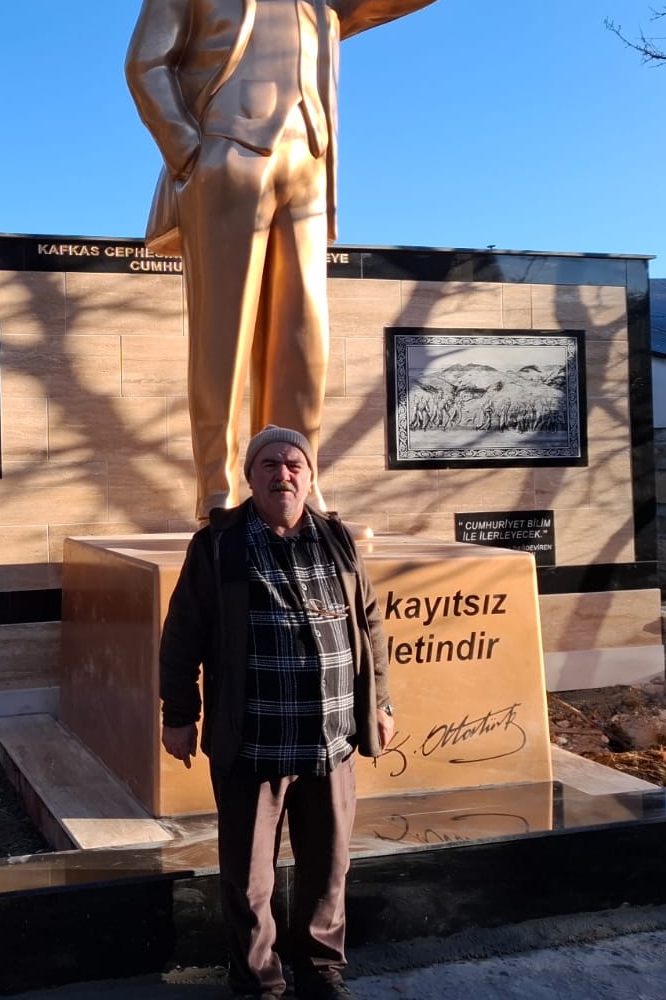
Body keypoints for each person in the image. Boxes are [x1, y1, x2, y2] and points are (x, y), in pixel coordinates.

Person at [126, 0, 591, 521]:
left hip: (307, 168)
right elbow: (146, 65)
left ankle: (296, 482)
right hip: (228, 161)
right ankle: (218, 489)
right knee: (221, 336)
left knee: (302, 336)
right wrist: (192, 152)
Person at [160, 424, 393, 999]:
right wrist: (180, 714)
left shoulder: (336, 538)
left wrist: (380, 702)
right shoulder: (219, 544)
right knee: (249, 879)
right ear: (250, 477)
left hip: (331, 738)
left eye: (294, 465)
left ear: (309, 476)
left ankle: (320, 970)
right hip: (252, 743)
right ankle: (259, 983)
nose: (282, 474)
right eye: (269, 465)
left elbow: (369, 623)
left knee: (328, 868)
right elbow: (183, 634)